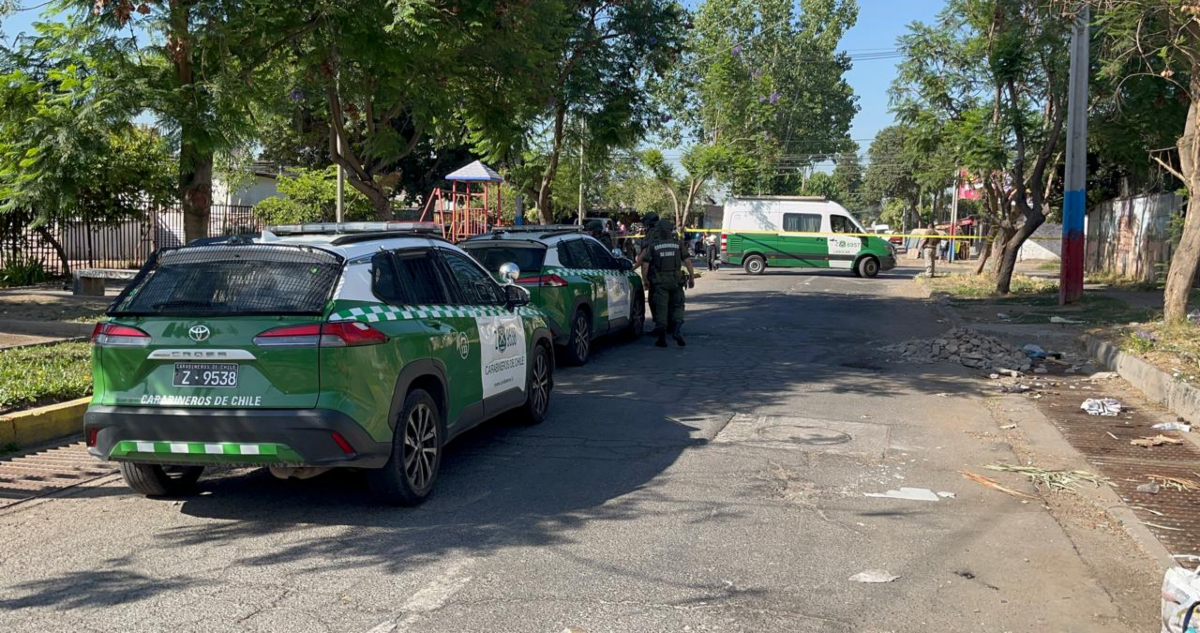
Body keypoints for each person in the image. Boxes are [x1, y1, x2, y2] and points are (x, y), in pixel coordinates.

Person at [640, 218, 695, 348]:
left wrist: (645, 280)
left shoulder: (654, 245)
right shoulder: (678, 244)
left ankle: (662, 338)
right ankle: (676, 331)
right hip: (676, 281)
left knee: (661, 308)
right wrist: (692, 277)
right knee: (678, 306)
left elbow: (645, 265)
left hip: (660, 282)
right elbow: (688, 262)